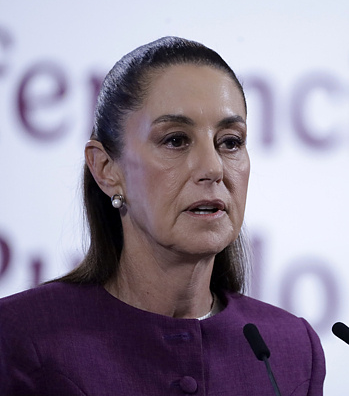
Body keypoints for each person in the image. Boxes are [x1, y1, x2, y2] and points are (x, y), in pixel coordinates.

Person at [0, 36, 325, 395]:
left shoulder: (291, 349)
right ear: (106, 169)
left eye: (230, 142)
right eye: (175, 140)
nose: (213, 168)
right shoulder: (18, 336)